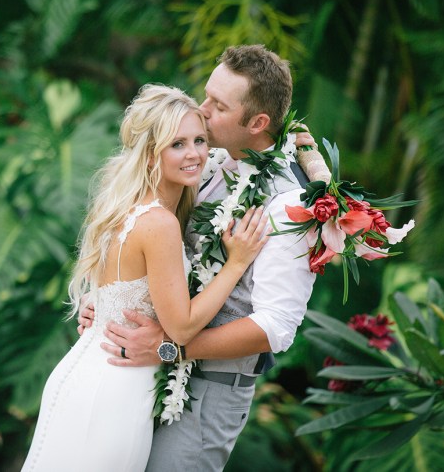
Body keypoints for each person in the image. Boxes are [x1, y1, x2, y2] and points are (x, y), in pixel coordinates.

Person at [78, 45, 318, 471]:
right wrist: (111, 303)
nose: (202, 111)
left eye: (219, 106)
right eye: (206, 95)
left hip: (207, 394)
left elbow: (275, 326)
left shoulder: (288, 204)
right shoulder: (207, 162)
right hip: (141, 376)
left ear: (257, 123)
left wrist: (169, 349)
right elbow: (148, 241)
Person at [22, 85, 272, 472]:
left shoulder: (132, 203)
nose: (195, 154)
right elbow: (182, 327)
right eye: (177, 144)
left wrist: (294, 142)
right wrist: (236, 264)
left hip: (92, 373)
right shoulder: (159, 223)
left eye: (199, 140)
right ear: (151, 152)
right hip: (113, 389)